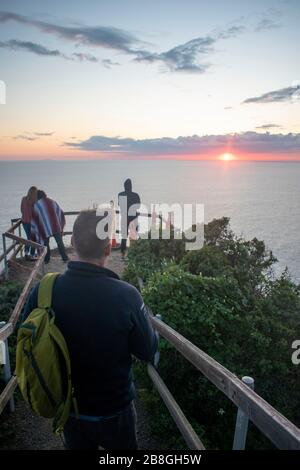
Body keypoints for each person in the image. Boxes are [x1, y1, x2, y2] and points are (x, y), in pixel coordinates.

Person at [23, 209, 157, 449]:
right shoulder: (127, 295)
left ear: (72, 242)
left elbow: (27, 341)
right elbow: (147, 351)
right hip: (116, 409)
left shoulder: (43, 291)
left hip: (70, 408)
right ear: (108, 249)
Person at [31, 190, 69, 264]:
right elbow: (60, 212)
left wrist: (36, 229)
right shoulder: (52, 201)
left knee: (46, 244)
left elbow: (34, 218)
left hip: (44, 228)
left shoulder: (37, 205)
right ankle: (65, 258)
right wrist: (60, 223)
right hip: (55, 225)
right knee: (60, 242)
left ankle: (46, 260)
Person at [118, 179, 140, 259]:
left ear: (124, 187)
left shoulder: (120, 194)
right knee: (133, 236)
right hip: (133, 218)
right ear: (131, 186)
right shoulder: (135, 195)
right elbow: (138, 206)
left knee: (124, 237)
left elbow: (120, 205)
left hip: (124, 218)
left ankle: (123, 255)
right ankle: (132, 254)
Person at [20, 186, 38, 261]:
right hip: (32, 222)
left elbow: (21, 209)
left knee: (28, 238)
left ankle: (26, 253)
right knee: (33, 239)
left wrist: (25, 215)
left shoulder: (23, 199)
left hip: (24, 222)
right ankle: (32, 254)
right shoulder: (35, 201)